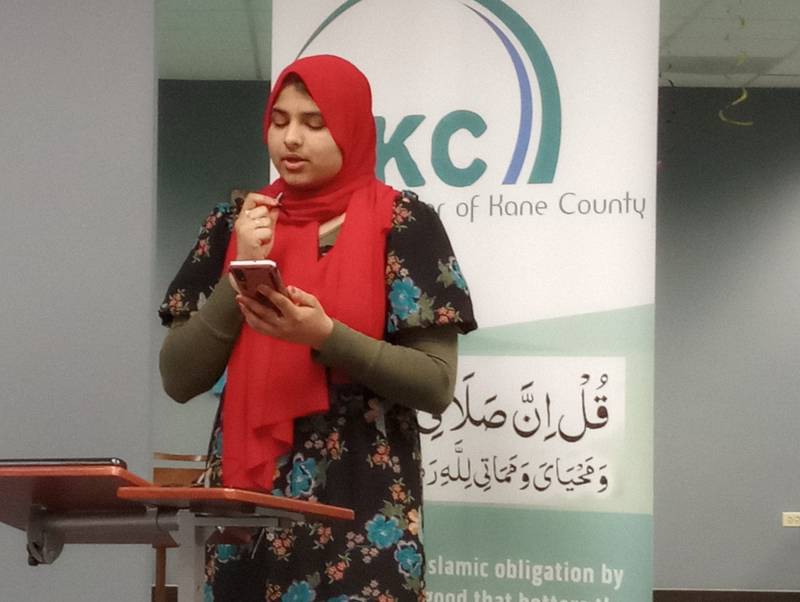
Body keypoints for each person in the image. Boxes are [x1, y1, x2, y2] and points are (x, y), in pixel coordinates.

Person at [158, 54, 476, 602]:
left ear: (351, 128)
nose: (291, 139)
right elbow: (178, 376)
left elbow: (435, 383)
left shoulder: (403, 224)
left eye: (313, 122)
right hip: (248, 505)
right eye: (279, 121)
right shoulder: (235, 223)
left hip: (363, 502)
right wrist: (240, 276)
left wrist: (325, 336)